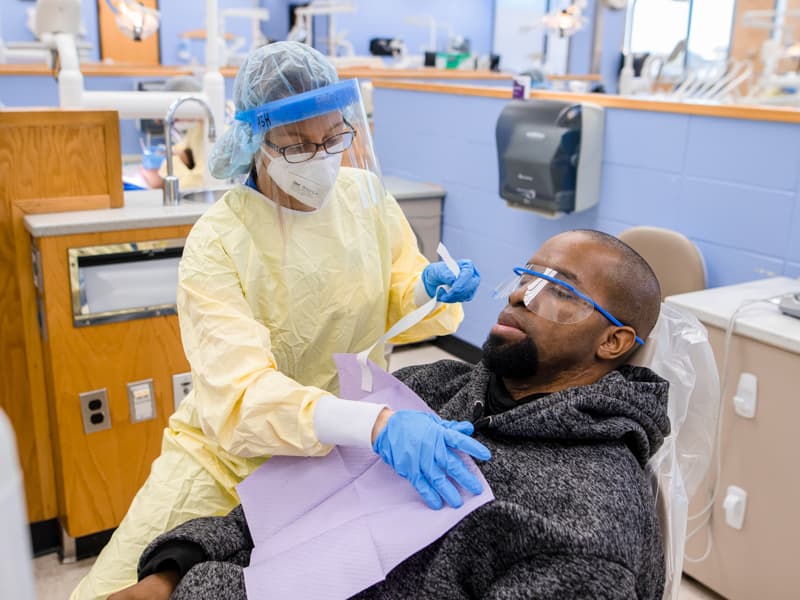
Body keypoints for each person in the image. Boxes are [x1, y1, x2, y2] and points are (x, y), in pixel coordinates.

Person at [72, 41, 487, 600]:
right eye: (297, 146)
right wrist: (378, 427)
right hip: (229, 457)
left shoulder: (364, 197)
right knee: (120, 585)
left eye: (334, 137)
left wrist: (424, 288)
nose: (321, 158)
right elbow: (245, 395)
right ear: (254, 142)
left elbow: (392, 296)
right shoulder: (219, 242)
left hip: (343, 445)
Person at [109, 229, 671, 600]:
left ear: (614, 341)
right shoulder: (428, 388)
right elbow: (280, 503)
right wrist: (173, 570)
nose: (521, 297)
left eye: (558, 291)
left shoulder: (586, 523)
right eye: (527, 276)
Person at [138, 75, 208, 190]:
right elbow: (186, 148)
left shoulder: (214, 130)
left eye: (176, 117)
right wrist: (169, 152)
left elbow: (201, 181)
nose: (176, 121)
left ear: (189, 106)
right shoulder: (196, 127)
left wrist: (163, 176)